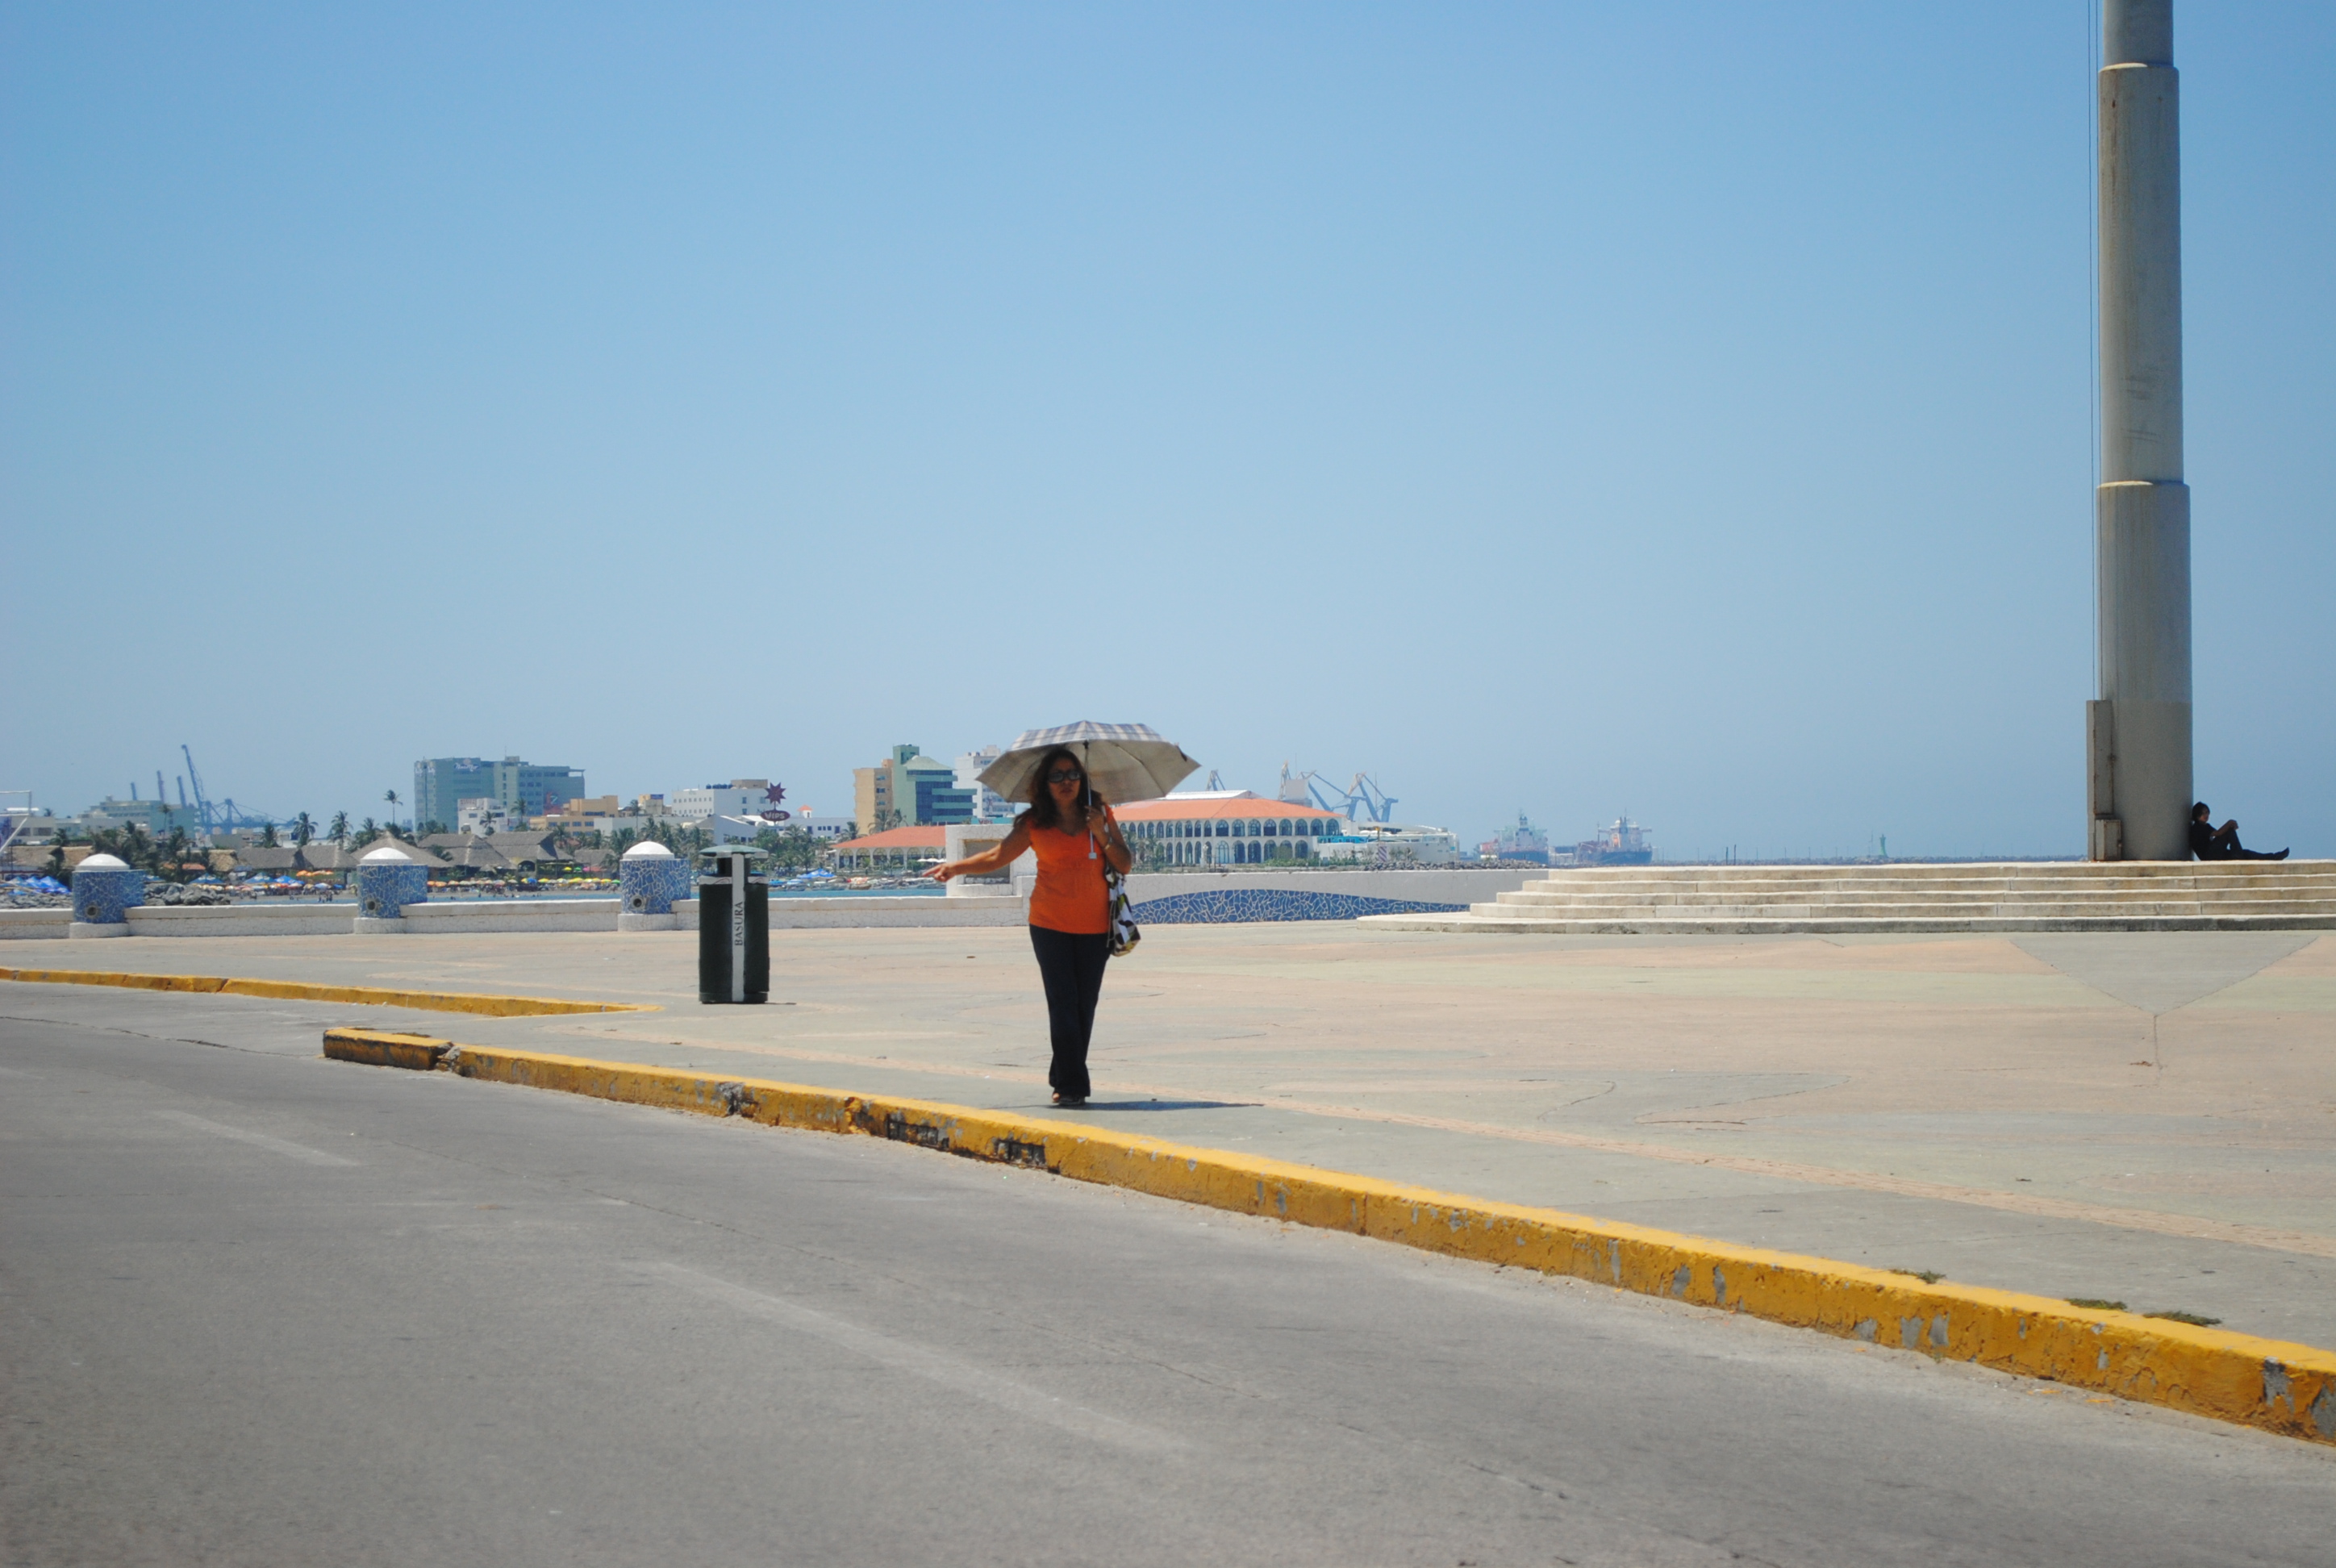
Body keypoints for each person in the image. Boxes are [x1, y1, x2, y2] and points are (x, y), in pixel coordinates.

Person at [925, 747, 1131, 1107]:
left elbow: (1125, 863)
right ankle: (1071, 1087)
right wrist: (955, 868)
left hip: (1096, 926)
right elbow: (996, 857)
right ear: (1044, 784)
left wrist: (1101, 832)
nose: (1066, 782)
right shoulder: (1034, 824)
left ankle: (1063, 1075)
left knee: (1085, 1006)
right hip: (1049, 924)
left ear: (1081, 779)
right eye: (1057, 776)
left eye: (1072, 775)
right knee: (1063, 1003)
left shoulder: (1098, 814)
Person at [2189, 802, 2288, 861]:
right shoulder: (2198, 827)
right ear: (2197, 815)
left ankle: (2274, 857)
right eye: (2202, 813)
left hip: (2215, 853)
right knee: (2229, 832)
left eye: (2207, 812)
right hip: (2208, 856)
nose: (2206, 815)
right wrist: (2229, 823)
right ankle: (2237, 855)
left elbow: (2218, 833)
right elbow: (2219, 833)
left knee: (2247, 853)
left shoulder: (2205, 826)